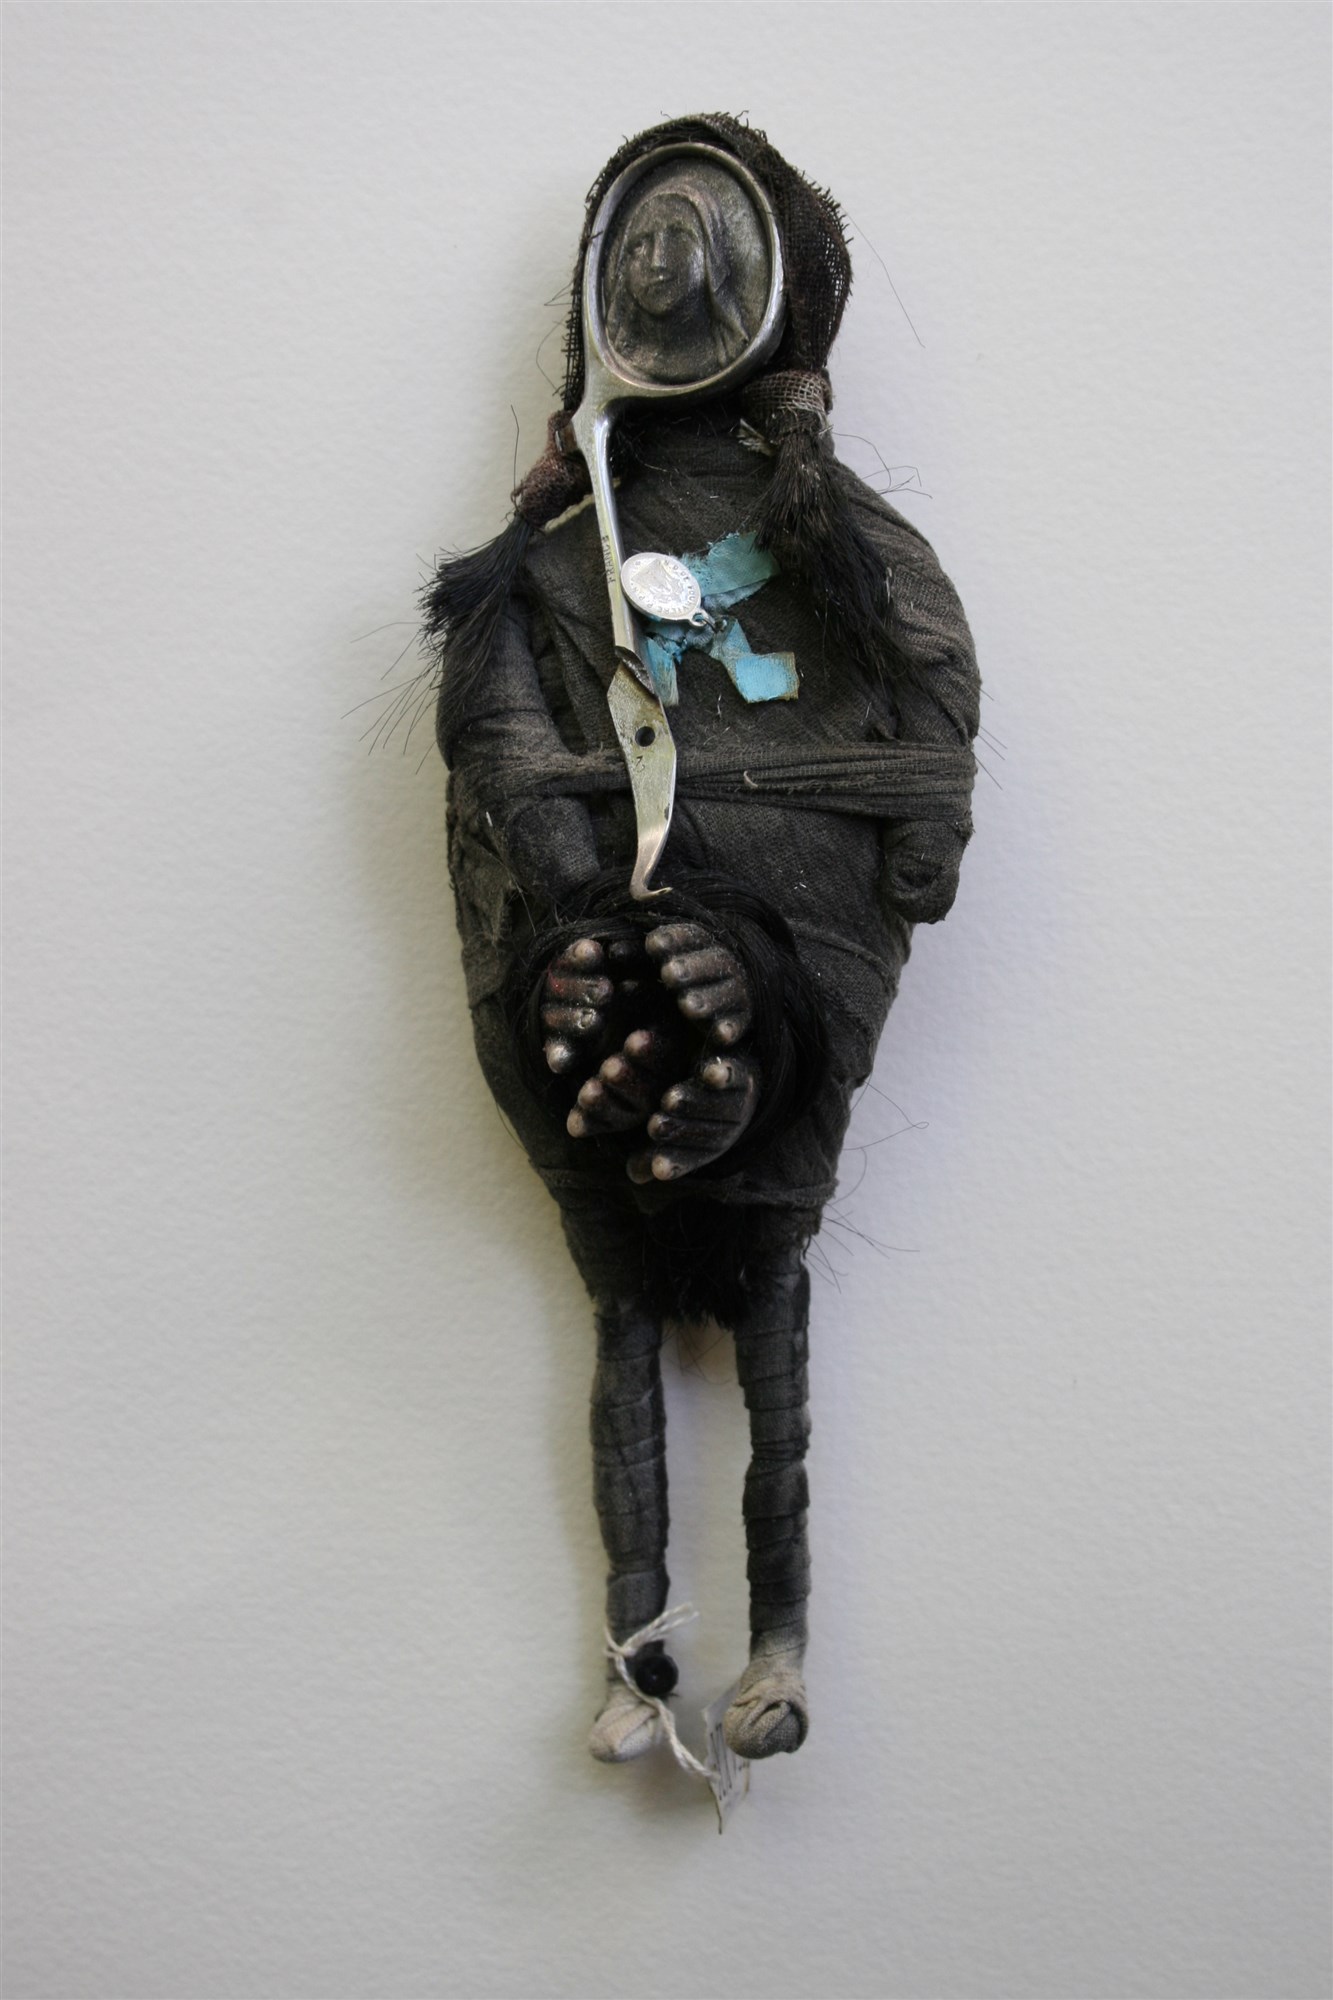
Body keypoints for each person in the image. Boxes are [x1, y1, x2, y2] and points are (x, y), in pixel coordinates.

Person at [427, 114, 980, 1767]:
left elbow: (928, 722)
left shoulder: (850, 548)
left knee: (764, 1278)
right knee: (625, 1284)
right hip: (587, 957)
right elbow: (495, 732)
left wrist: (907, 843)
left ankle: (776, 1646)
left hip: (800, 956)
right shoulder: (549, 561)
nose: (666, 269)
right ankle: (638, 1653)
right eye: (644, 246)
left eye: (698, 246)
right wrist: (567, 878)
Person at [603, 172, 752, 384]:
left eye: (678, 235)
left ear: (711, 252)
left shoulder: (728, 354)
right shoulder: (621, 358)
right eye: (639, 244)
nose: (657, 262)